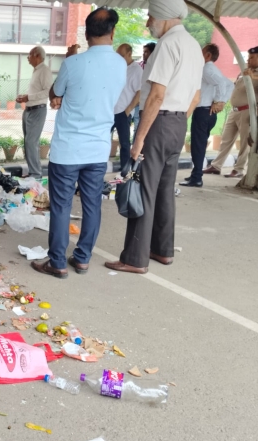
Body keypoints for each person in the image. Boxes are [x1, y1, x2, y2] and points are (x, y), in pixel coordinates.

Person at [106, 0, 204, 274]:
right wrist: (177, 122)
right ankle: (163, 250)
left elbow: (157, 96)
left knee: (143, 189)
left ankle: (134, 259)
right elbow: (195, 95)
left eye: (151, 17)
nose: (148, 22)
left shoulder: (167, 45)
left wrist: (139, 139)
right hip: (178, 123)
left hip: (158, 124)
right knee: (164, 192)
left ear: (163, 16)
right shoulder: (193, 46)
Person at [30, 8, 126, 280]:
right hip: (97, 148)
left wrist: (63, 90)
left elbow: (55, 93)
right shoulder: (121, 64)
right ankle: (82, 258)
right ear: (113, 32)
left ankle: (58, 262)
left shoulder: (73, 63)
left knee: (61, 206)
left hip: (68, 148)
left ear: (86, 32)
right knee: (92, 204)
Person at [182, 44, 233, 187]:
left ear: (208, 55)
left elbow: (223, 83)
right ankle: (195, 174)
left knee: (198, 145)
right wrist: (221, 101)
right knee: (200, 144)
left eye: (201, 52)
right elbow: (230, 84)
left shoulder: (207, 68)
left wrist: (220, 101)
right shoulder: (212, 69)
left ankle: (197, 177)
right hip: (208, 112)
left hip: (203, 111)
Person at [203, 46, 258, 179]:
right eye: (248, 57)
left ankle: (238, 169)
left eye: (252, 58)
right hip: (234, 111)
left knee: (245, 142)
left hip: (247, 112)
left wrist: (254, 76)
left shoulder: (254, 74)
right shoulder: (245, 72)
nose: (249, 60)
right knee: (226, 139)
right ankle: (216, 166)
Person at [17, 46, 52, 180]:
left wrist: (29, 97)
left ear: (37, 56)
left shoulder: (44, 70)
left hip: (38, 109)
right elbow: (37, 91)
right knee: (28, 142)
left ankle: (36, 174)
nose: (28, 58)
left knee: (31, 142)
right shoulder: (37, 71)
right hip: (30, 109)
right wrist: (25, 96)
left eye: (30, 55)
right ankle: (33, 172)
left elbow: (48, 91)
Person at [113, 43, 143, 175]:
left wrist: (128, 110)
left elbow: (140, 92)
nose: (118, 58)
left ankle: (125, 170)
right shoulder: (116, 67)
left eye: (122, 55)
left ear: (130, 54)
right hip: (109, 109)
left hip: (123, 111)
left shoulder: (136, 70)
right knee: (101, 138)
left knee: (124, 143)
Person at [133, 42, 156, 138]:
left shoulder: (156, 68)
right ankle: (135, 151)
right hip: (137, 103)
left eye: (146, 52)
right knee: (137, 128)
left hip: (149, 104)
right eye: (143, 52)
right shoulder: (138, 66)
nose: (143, 54)